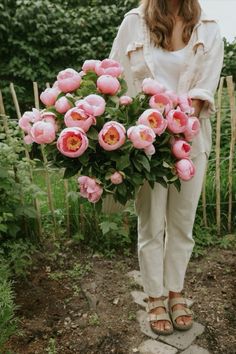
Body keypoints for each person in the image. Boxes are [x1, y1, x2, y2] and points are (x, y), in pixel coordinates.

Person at [110, 0, 224, 335]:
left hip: (190, 140)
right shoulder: (134, 22)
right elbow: (115, 75)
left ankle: (176, 292)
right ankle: (154, 296)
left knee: (182, 223)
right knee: (151, 223)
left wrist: (179, 122)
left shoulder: (209, 27)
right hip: (146, 143)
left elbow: (206, 84)